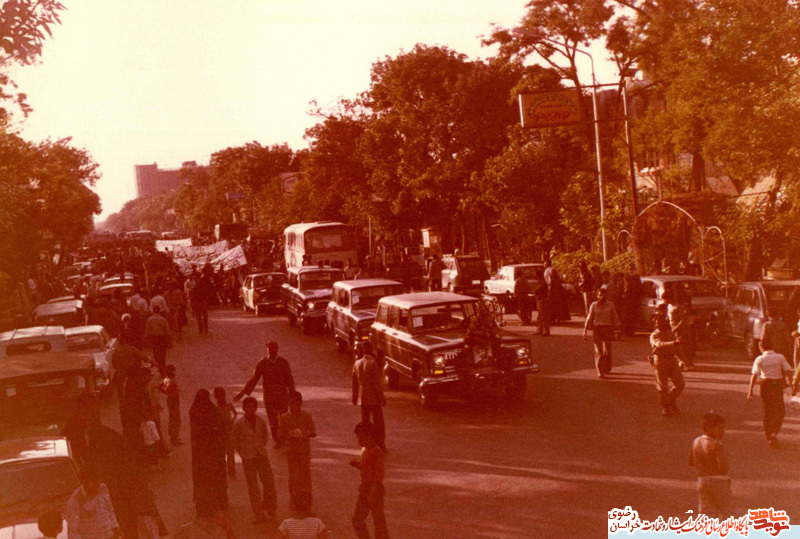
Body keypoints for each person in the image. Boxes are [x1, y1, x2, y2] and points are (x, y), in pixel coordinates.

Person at [234, 341, 296, 447]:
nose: (272, 350)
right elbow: (253, 379)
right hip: (269, 397)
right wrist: (242, 393)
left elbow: (289, 379)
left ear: (277, 349)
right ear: (266, 349)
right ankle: (277, 440)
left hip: (282, 396)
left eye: (274, 348)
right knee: (273, 420)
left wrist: (293, 395)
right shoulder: (262, 363)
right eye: (270, 348)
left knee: (284, 418)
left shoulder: (283, 362)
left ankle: (285, 439)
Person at [232, 397, 278, 523]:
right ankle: (258, 514)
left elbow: (265, 436)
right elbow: (235, 441)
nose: (251, 409)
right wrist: (243, 452)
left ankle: (270, 507)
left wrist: (260, 447)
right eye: (248, 407)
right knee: (253, 487)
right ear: (244, 408)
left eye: (253, 407)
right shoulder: (239, 425)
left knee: (268, 483)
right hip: (248, 457)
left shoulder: (260, 421)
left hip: (261, 455)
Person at [747, 335, 793, 447]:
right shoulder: (780, 357)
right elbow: (788, 371)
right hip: (776, 385)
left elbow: (754, 375)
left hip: (765, 384)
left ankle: (768, 435)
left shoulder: (759, 359)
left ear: (761, 348)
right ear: (772, 346)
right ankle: (774, 433)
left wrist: (750, 391)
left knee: (767, 410)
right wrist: (791, 384)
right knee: (780, 410)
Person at [189, 389, 229, 517]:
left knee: (202, 479)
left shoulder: (194, 411)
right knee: (216, 476)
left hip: (200, 452)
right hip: (214, 451)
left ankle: (203, 505)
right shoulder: (213, 411)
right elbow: (221, 428)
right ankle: (219, 501)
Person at [278, 391, 317, 509]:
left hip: (304, 450)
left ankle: (306, 502)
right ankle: (294, 501)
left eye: (296, 402)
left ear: (300, 403)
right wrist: (289, 435)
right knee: (294, 476)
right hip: (291, 451)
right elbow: (280, 434)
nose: (293, 405)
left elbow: (313, 432)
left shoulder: (306, 416)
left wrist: (305, 434)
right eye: (291, 403)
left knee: (305, 476)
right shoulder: (284, 417)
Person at [350, 422, 389, 539]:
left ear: (371, 437)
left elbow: (378, 472)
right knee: (358, 519)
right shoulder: (365, 450)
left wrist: (373, 489)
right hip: (365, 488)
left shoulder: (376, 452)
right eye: (358, 438)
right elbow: (367, 467)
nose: (359, 441)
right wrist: (358, 465)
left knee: (378, 520)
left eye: (362, 438)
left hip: (374, 488)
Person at [688, 413, 731, 519]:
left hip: (702, 481)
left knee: (707, 512)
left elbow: (691, 462)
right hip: (718, 481)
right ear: (708, 428)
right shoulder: (717, 445)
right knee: (726, 510)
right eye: (720, 428)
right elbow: (723, 467)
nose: (723, 431)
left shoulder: (696, 441)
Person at [66, 467, 120, 539]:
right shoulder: (75, 501)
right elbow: (73, 531)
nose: (98, 484)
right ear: (84, 482)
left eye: (98, 481)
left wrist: (116, 527)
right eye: (94, 481)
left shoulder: (103, 488)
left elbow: (110, 510)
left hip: (110, 535)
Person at [352, 343, 387, 450]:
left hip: (362, 399)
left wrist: (354, 397)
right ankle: (380, 443)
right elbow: (376, 383)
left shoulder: (357, 363)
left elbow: (354, 382)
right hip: (373, 398)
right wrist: (381, 397)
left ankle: (366, 443)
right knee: (378, 422)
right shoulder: (372, 363)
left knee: (366, 422)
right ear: (371, 350)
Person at [650, 316, 686, 416]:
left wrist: (683, 360)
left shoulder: (671, 334)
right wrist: (674, 342)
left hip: (671, 360)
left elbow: (677, 349)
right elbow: (660, 344)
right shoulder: (654, 335)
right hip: (660, 360)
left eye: (662, 322)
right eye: (658, 323)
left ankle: (671, 400)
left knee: (680, 383)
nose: (660, 324)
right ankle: (665, 407)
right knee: (662, 386)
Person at [583, 289, 620, 378]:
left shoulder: (610, 305)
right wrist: (585, 331)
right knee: (599, 351)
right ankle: (600, 371)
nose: (602, 297)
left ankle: (607, 367)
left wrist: (618, 329)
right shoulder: (594, 305)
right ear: (597, 296)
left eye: (604, 295)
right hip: (597, 329)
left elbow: (615, 316)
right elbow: (589, 318)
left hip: (607, 328)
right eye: (600, 295)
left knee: (607, 350)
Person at [213, 386, 238, 477]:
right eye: (218, 396)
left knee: (230, 450)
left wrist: (232, 422)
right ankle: (222, 468)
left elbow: (235, 413)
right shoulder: (215, 407)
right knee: (221, 450)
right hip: (220, 430)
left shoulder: (228, 405)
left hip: (228, 429)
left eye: (222, 395)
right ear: (216, 397)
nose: (221, 397)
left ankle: (231, 469)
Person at [159, 364, 183, 446]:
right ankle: (174, 438)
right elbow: (165, 389)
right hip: (174, 401)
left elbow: (159, 386)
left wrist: (166, 393)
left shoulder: (167, 379)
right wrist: (168, 393)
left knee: (173, 419)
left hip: (171, 400)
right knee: (176, 420)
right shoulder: (171, 380)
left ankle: (173, 437)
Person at [145, 305, 171, 374]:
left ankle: (159, 366)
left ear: (153, 311)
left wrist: (147, 338)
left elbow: (147, 331)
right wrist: (169, 339)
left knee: (155, 352)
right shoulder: (163, 319)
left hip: (154, 339)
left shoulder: (150, 319)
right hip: (162, 338)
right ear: (159, 311)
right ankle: (162, 365)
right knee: (163, 353)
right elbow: (167, 331)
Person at [534, 269, 550, 336]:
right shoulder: (539, 283)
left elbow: (541, 292)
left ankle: (546, 331)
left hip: (542, 300)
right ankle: (539, 330)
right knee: (539, 316)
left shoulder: (543, 283)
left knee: (544, 316)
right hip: (539, 300)